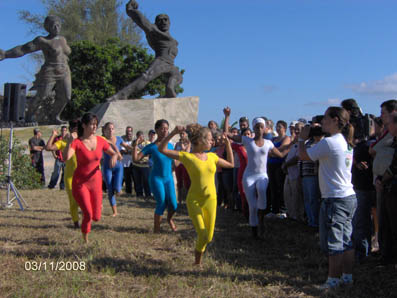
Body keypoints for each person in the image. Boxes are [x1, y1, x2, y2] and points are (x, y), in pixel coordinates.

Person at [158, 123, 234, 265]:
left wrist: (228, 144)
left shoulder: (212, 157)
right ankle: (197, 262)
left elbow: (231, 164)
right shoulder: (188, 157)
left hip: (211, 200)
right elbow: (161, 149)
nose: (212, 141)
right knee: (203, 234)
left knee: (209, 237)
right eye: (210, 138)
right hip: (194, 201)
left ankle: (196, 261)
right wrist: (173, 132)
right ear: (200, 141)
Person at [298, 107, 356, 290]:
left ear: (335, 120)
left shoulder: (330, 143)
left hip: (335, 198)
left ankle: (332, 280)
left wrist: (301, 138)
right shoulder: (345, 142)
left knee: (334, 241)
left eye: (325, 118)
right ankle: (347, 276)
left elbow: (303, 155)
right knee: (347, 240)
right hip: (348, 196)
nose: (322, 122)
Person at [224, 108, 285, 239]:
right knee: (252, 206)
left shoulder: (268, 143)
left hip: (262, 175)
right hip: (249, 176)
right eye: (256, 127)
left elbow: (280, 154)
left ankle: (262, 220)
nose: (258, 129)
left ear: (265, 129)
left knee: (262, 189)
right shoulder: (247, 140)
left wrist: (295, 144)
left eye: (261, 127)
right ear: (253, 128)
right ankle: (254, 230)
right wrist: (227, 116)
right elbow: (227, 134)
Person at [0, 15, 71, 123]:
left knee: (66, 96)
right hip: (50, 71)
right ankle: (29, 116)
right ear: (47, 27)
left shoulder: (63, 39)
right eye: (53, 26)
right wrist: (6, 54)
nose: (56, 28)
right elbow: (23, 49)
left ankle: (55, 117)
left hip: (65, 70)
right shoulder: (42, 40)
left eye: (58, 25)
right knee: (42, 96)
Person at [108, 0, 182, 101]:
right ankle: (122, 94)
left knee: (177, 76)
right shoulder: (154, 31)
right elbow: (142, 21)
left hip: (170, 64)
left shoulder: (170, 38)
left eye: (166, 19)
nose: (163, 22)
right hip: (161, 61)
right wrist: (130, 10)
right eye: (160, 20)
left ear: (169, 22)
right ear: (156, 23)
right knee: (146, 77)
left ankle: (169, 89)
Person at [65, 113, 118, 243]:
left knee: (96, 217)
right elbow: (66, 157)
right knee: (88, 213)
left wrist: (115, 156)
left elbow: (114, 153)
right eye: (91, 124)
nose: (94, 127)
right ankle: (85, 239)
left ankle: (87, 227)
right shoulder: (77, 143)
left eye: (95, 124)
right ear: (84, 125)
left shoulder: (100, 140)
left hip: (96, 182)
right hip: (80, 183)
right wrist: (69, 142)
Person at [133, 119, 177, 233]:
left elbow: (174, 163)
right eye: (162, 128)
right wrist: (135, 146)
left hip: (168, 179)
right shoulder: (151, 147)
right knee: (161, 203)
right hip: (156, 179)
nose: (165, 131)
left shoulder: (171, 146)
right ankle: (156, 230)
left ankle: (169, 219)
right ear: (157, 130)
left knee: (174, 205)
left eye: (167, 129)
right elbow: (136, 159)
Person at [45, 120, 80, 228]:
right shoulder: (63, 142)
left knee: (84, 201)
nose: (77, 132)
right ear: (72, 130)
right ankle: (76, 223)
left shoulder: (83, 141)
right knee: (73, 201)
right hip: (69, 177)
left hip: (82, 177)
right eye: (76, 129)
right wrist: (53, 135)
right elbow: (48, 148)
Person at [267, 120, 291, 218]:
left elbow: (281, 149)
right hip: (271, 164)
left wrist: (273, 153)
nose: (277, 128)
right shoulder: (273, 139)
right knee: (272, 187)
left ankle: (283, 210)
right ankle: (274, 209)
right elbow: (268, 150)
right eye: (277, 126)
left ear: (284, 128)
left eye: (280, 127)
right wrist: (273, 153)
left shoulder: (286, 138)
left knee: (280, 187)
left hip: (279, 165)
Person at [102, 122, 124, 216]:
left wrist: (134, 147)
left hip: (118, 167)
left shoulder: (118, 139)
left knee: (118, 189)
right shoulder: (102, 140)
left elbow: (120, 157)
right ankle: (115, 212)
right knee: (110, 190)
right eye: (108, 129)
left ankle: (118, 189)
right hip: (107, 167)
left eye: (112, 129)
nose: (110, 130)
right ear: (105, 130)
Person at [132, 131, 151, 198]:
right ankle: (139, 195)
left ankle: (148, 195)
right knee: (137, 181)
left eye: (141, 136)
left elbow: (148, 153)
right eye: (139, 137)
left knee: (146, 181)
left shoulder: (147, 143)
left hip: (145, 165)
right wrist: (136, 144)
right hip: (136, 165)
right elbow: (133, 152)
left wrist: (140, 155)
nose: (140, 138)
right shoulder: (134, 143)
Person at [174, 130, 191, 203]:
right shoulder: (177, 143)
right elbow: (175, 153)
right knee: (179, 181)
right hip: (178, 164)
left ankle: (188, 199)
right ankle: (179, 199)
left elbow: (187, 152)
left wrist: (183, 147)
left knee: (187, 181)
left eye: (183, 133)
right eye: (180, 134)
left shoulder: (189, 143)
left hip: (186, 164)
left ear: (186, 135)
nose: (181, 135)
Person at [120, 126, 134, 196]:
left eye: (130, 132)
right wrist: (129, 151)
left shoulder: (134, 142)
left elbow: (134, 151)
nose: (129, 133)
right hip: (125, 163)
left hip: (133, 163)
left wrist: (127, 151)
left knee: (134, 179)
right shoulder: (123, 141)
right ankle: (128, 193)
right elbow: (122, 151)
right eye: (127, 132)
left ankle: (137, 193)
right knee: (127, 178)